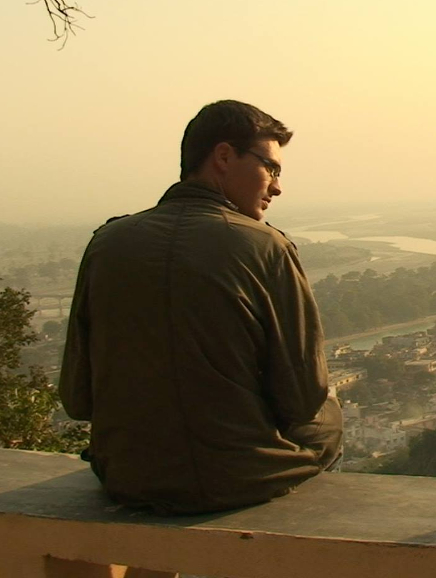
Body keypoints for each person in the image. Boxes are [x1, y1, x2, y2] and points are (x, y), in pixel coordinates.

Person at [59, 100, 343, 515]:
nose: (277, 187)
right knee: (328, 415)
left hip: (126, 476)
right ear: (224, 156)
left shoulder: (107, 243)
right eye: (272, 168)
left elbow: (77, 398)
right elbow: (302, 400)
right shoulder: (266, 247)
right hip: (241, 478)